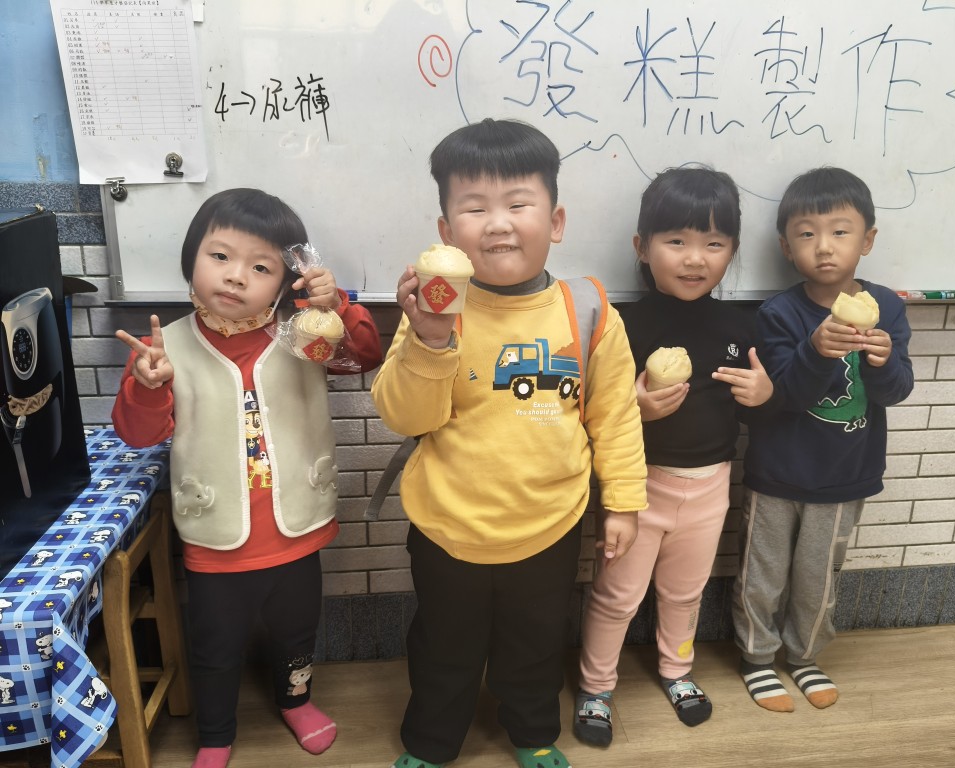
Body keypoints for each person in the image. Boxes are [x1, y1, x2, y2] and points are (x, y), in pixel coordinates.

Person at [371, 118, 648, 768]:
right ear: (446, 233)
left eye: (518, 204)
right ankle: (431, 741)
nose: (497, 224)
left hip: (549, 525)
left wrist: (624, 502)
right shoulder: (434, 312)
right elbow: (405, 416)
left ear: (555, 221)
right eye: (475, 208)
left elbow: (614, 417)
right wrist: (430, 340)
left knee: (535, 643)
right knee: (445, 647)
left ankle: (531, 731)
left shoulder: (589, 310)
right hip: (448, 525)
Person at [111, 188, 382, 768]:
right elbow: (138, 434)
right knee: (215, 644)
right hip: (215, 537)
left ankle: (297, 701)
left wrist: (337, 308)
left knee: (296, 633)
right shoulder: (166, 347)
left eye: (260, 267)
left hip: (296, 528)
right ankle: (215, 733)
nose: (236, 276)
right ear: (191, 257)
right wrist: (147, 386)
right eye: (220, 256)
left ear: (286, 283)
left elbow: (363, 355)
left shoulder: (305, 332)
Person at [573, 167, 775, 747]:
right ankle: (595, 686)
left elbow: (756, 416)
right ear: (643, 247)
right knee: (617, 595)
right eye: (677, 240)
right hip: (639, 488)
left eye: (714, 243)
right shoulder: (621, 324)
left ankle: (677, 671)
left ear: (732, 250)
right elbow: (589, 415)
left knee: (686, 592)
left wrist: (765, 396)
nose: (694, 258)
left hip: (711, 487)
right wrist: (634, 408)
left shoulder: (741, 326)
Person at [731, 166, 914, 712]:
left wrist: (882, 361)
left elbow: (896, 391)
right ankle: (756, 659)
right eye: (807, 234)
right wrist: (816, 349)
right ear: (787, 247)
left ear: (867, 240)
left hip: (844, 476)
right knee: (762, 574)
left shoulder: (887, 307)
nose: (825, 246)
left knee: (818, 577)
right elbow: (782, 395)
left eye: (840, 232)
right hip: (777, 472)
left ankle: (805, 656)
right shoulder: (779, 312)